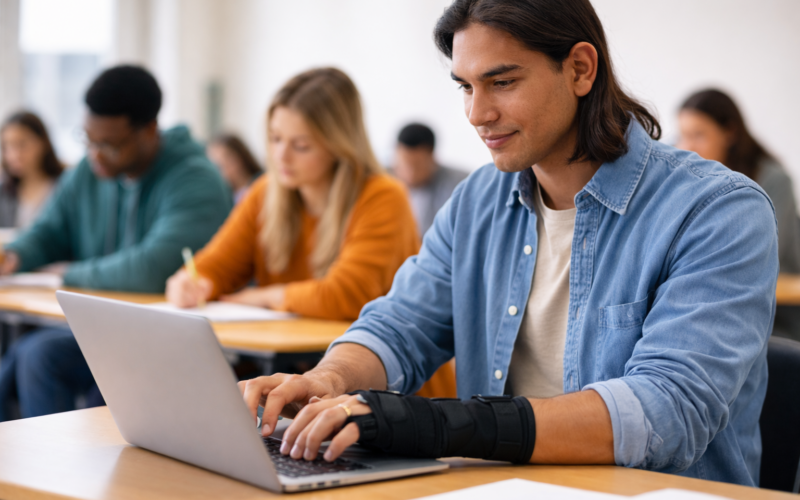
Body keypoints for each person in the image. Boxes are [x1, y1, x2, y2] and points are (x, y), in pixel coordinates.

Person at [236, 0, 777, 488]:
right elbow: (400, 325)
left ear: (580, 70)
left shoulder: (718, 210)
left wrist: (440, 426)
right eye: (466, 87)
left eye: (502, 82)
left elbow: (666, 411)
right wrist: (327, 380)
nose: (476, 114)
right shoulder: (478, 200)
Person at [166, 67, 454, 398]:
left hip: (396, 394)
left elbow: (344, 296)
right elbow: (213, 266)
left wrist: (266, 296)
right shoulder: (266, 193)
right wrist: (192, 282)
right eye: (275, 139)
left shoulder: (383, 196)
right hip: (307, 384)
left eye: (300, 145)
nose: (280, 156)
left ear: (338, 145)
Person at [0, 65, 232, 420]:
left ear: (149, 131)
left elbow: (151, 269)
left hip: (169, 339)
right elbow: (49, 230)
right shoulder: (91, 169)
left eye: (108, 144)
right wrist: (14, 255)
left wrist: (68, 274)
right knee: (34, 355)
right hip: (110, 332)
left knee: (85, 379)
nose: (95, 153)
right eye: (88, 139)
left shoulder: (195, 179)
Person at [677, 89, 800, 275]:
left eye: (699, 135)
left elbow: (763, 253)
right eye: (683, 136)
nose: (688, 147)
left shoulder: (774, 180)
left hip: (780, 293)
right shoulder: (684, 177)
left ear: (730, 132)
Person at [392, 123, 468, 235]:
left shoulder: (460, 185)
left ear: (433, 157)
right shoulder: (383, 182)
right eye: (405, 165)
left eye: (418, 166)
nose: (411, 175)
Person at [0, 111, 63, 229]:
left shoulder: (63, 187)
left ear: (42, 143)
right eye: (7, 146)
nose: (14, 154)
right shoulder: (4, 191)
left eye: (22, 144)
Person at [206, 133, 263, 204]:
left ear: (238, 159)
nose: (217, 172)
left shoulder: (262, 186)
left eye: (221, 165)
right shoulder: (224, 199)